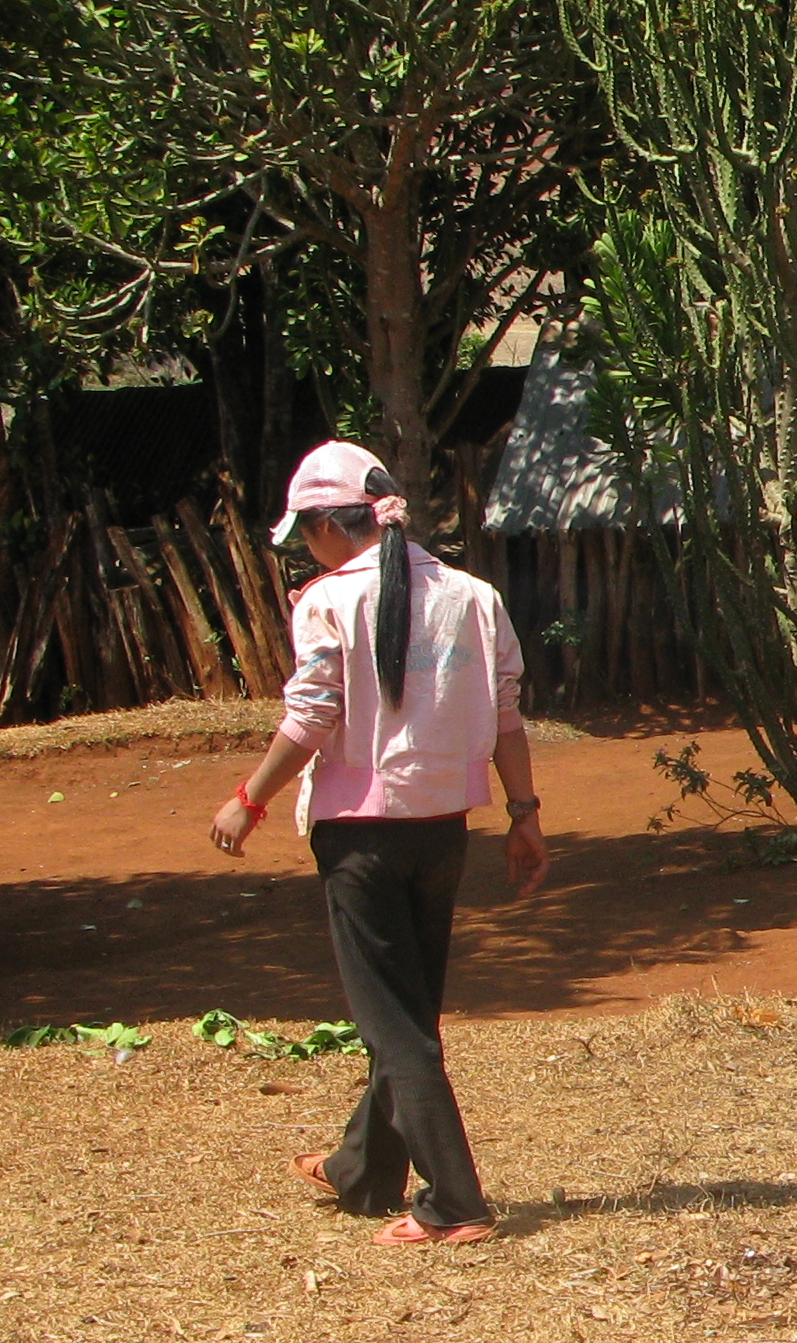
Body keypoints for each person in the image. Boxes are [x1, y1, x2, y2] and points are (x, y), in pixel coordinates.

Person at [208, 440, 549, 1244]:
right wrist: (524, 814)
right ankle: (362, 1169)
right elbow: (506, 716)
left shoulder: (326, 601)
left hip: (360, 838)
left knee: (393, 1024)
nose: (305, 549)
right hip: (442, 833)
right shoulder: (473, 595)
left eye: (305, 534)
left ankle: (455, 1203)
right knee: (407, 1009)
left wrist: (246, 801)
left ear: (331, 527)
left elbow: (310, 718)